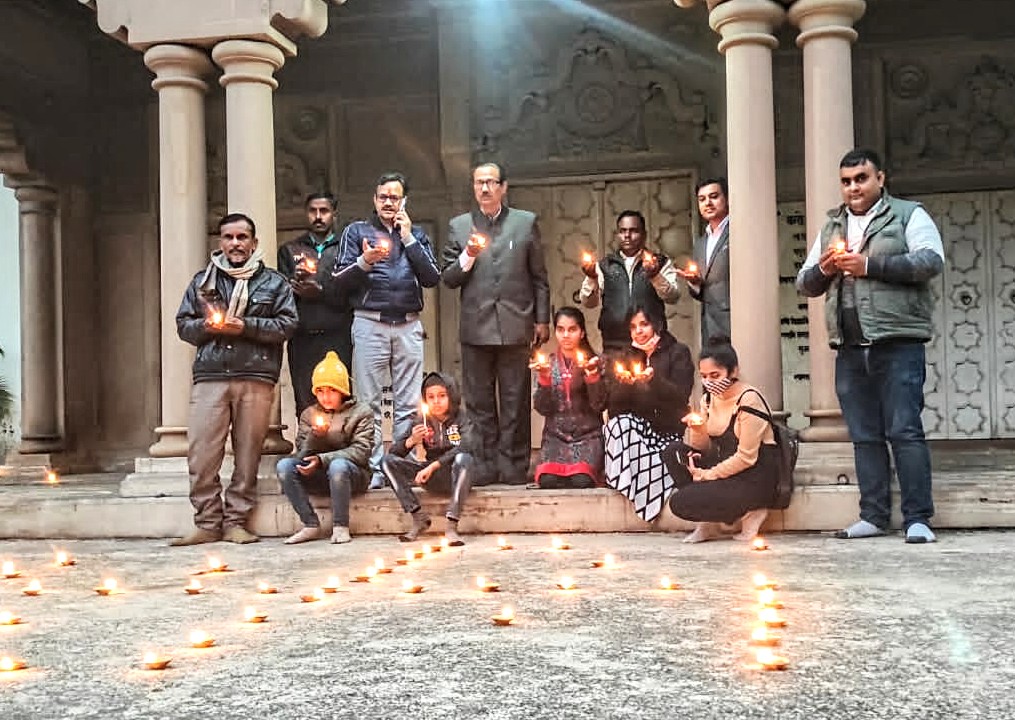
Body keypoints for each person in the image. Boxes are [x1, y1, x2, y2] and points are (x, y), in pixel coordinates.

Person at [796, 148, 944, 544]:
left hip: (897, 343)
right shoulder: (833, 225)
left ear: (880, 178)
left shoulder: (908, 214)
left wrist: (870, 266)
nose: (853, 187)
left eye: (861, 178)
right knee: (864, 435)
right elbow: (805, 283)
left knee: (904, 430)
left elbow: (930, 262)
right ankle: (873, 516)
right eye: (846, 181)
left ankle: (917, 519)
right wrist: (825, 268)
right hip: (849, 346)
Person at [171, 212, 298, 546]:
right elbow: (184, 325)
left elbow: (287, 325)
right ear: (220, 242)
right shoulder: (203, 282)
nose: (235, 243)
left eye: (242, 237)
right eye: (229, 237)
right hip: (211, 376)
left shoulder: (274, 283)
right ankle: (207, 522)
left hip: (256, 376)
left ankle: (236, 523)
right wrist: (208, 326)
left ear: (254, 243)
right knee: (201, 455)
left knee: (247, 456)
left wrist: (245, 326)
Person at [442, 162, 551, 485]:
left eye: (491, 182)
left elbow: (539, 277)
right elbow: (448, 278)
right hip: (476, 328)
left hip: (516, 324)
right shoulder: (460, 226)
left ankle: (513, 466)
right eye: (479, 183)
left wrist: (542, 319)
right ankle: (484, 465)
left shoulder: (525, 222)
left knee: (515, 401)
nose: (485, 188)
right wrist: (468, 255)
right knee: (479, 404)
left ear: (503, 187)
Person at [332, 172, 441, 490]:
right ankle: (376, 469)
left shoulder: (415, 234)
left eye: (394, 197)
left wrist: (408, 239)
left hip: (408, 323)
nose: (388, 203)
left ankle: (400, 466)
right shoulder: (357, 231)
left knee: (408, 403)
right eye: (383, 197)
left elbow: (432, 277)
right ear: (374, 199)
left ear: (404, 201)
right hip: (370, 321)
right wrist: (365, 261)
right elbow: (338, 281)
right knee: (369, 403)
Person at [662, 339, 779, 544]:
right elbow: (702, 448)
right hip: (725, 467)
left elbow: (747, 457)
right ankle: (708, 521)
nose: (709, 381)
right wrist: (698, 429)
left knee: (680, 502)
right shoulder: (708, 400)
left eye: (715, 375)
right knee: (674, 452)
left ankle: (753, 510)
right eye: (704, 376)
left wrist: (707, 475)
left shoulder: (749, 399)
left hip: (753, 476)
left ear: (733, 371)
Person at [599, 306, 694, 521]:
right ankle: (621, 483)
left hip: (667, 432)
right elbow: (614, 409)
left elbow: (681, 396)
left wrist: (654, 381)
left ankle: (648, 491)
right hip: (640, 432)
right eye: (633, 327)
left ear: (657, 324)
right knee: (617, 425)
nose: (639, 331)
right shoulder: (627, 356)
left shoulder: (677, 352)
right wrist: (625, 386)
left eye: (644, 324)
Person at [275, 351, 373, 545]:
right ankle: (310, 523)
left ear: (342, 391)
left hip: (351, 475)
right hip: (317, 475)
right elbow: (302, 453)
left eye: (332, 390)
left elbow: (361, 451)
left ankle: (340, 526)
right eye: (320, 391)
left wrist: (322, 460)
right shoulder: (309, 414)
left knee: (338, 466)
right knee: (284, 466)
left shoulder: (361, 412)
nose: (325, 397)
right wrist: (315, 437)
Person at [278, 191, 353, 419]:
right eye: (313, 211)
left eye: (324, 211)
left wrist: (320, 291)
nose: (318, 216)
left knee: (340, 399)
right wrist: (295, 285)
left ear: (334, 214)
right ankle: (307, 440)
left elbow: (353, 291)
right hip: (303, 337)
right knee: (305, 401)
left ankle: (339, 442)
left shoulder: (346, 248)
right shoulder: (290, 250)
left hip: (339, 334)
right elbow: (280, 294)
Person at [381, 372, 476, 545]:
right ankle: (418, 517)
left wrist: (432, 466)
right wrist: (412, 440)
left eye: (442, 396)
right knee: (386, 462)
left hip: (456, 475)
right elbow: (394, 453)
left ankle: (451, 525)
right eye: (430, 397)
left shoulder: (461, 418)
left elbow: (467, 446)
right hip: (430, 477)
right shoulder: (422, 420)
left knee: (464, 458)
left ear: (452, 396)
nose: (436, 401)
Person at [580, 210, 681, 350]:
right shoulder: (605, 265)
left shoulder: (660, 262)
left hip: (651, 346)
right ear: (617, 234)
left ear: (644, 234)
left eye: (634, 231)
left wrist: (655, 276)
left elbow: (673, 296)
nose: (627, 235)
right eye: (622, 231)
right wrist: (592, 278)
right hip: (614, 344)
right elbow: (588, 302)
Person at [531, 307, 606, 489]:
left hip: (587, 437)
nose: (566, 335)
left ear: (582, 333)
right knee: (548, 480)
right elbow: (542, 408)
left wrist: (593, 378)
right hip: (555, 438)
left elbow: (599, 405)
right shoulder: (548, 363)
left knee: (581, 480)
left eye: (572, 329)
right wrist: (545, 379)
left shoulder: (596, 362)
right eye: (560, 329)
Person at [677, 177, 731, 347]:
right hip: (710, 326)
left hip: (737, 322)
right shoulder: (701, 243)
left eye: (714, 196)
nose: (708, 203)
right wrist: (694, 283)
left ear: (727, 199)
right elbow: (702, 290)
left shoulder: (738, 231)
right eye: (702, 199)